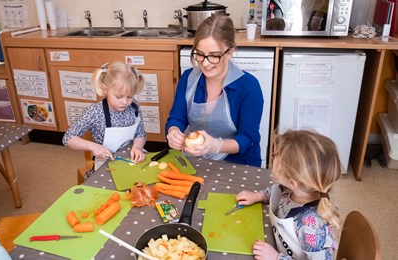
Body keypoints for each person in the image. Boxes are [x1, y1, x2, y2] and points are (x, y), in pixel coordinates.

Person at [165, 13, 264, 167]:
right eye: (200, 54)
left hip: (238, 162)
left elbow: (247, 139)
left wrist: (216, 146)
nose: (205, 63)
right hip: (197, 159)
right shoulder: (189, 79)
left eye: (214, 56)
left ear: (230, 52)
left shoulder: (249, 87)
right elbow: (177, 118)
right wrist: (173, 132)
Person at [236, 130, 341, 259]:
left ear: (292, 182)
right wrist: (259, 196)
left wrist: (276, 257)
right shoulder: (292, 188)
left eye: (276, 158)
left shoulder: (311, 227)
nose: (272, 159)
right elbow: (276, 191)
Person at [62, 61, 146, 177]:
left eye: (130, 96)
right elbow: (68, 138)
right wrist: (93, 147)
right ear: (105, 89)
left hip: (131, 159)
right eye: (119, 96)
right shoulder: (95, 112)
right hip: (106, 164)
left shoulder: (134, 106)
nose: (125, 102)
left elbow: (140, 133)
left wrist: (137, 147)